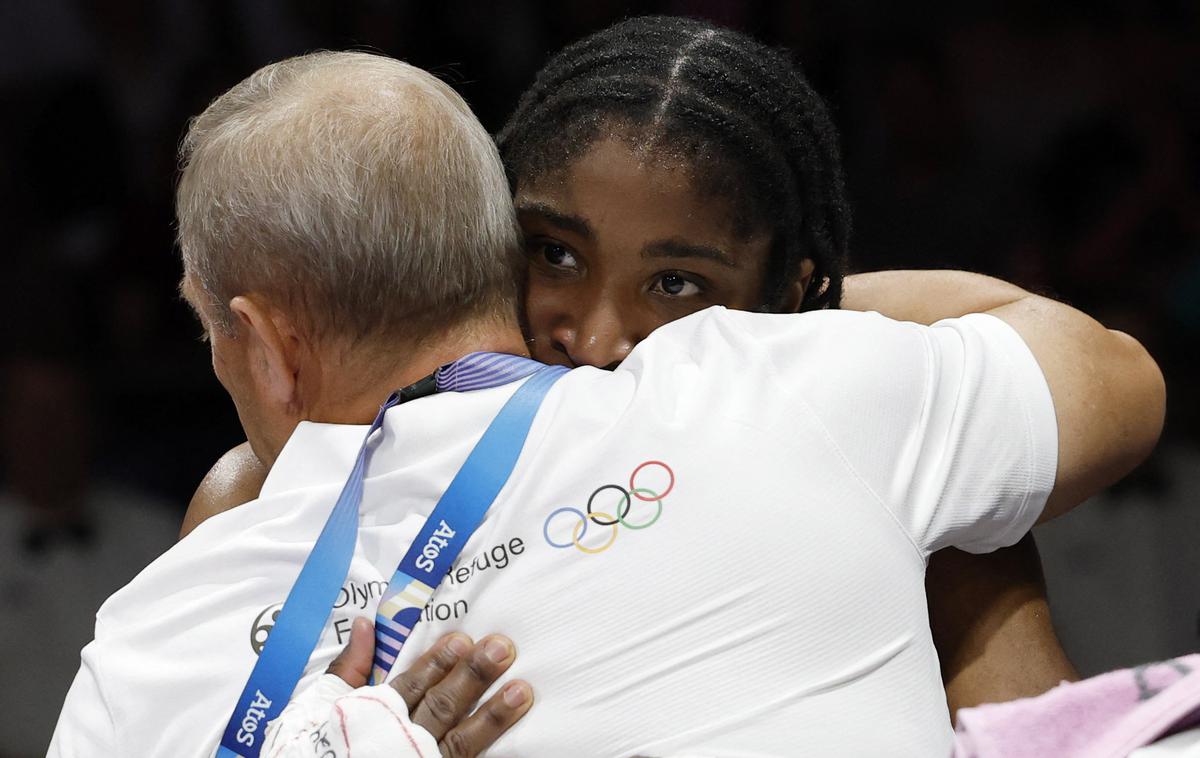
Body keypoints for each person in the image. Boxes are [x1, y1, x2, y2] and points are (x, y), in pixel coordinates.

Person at [56, 36, 1163, 758]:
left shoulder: (786, 379)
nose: (602, 337)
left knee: (974, 539)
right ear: (494, 249)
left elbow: (1116, 381)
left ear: (260, 342)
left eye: (674, 285)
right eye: (558, 257)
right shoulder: (795, 386)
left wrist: (785, 327)